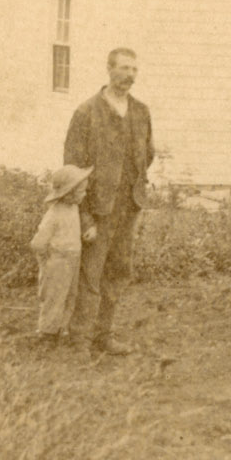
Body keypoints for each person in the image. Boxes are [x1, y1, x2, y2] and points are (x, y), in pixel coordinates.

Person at [63, 46, 154, 357]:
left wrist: (132, 188)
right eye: (124, 68)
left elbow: (147, 154)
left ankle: (104, 336)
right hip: (97, 208)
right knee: (90, 273)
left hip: (129, 206)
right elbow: (73, 168)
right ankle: (80, 340)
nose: (129, 75)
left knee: (118, 272)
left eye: (134, 69)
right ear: (109, 68)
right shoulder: (87, 112)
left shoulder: (141, 112)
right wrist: (85, 217)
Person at [30, 164, 91, 341]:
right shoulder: (54, 214)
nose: (85, 194)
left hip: (73, 258)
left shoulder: (73, 209)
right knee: (54, 296)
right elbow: (38, 243)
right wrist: (46, 261)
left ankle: (61, 329)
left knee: (70, 294)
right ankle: (47, 332)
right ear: (69, 193)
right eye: (81, 191)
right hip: (58, 260)